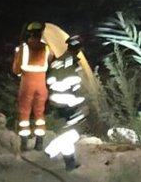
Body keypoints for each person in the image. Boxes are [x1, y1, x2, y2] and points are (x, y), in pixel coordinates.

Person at [44, 35, 87, 171]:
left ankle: (70, 163)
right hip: (67, 101)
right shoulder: (69, 61)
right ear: (78, 48)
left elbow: (51, 79)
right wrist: (79, 96)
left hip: (58, 100)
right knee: (72, 132)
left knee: (69, 131)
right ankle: (51, 151)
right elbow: (72, 81)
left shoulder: (61, 60)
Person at [12, 22, 51, 151]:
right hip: (41, 84)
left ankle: (24, 144)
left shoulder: (24, 48)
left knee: (24, 113)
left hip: (27, 83)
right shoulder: (47, 48)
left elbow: (16, 70)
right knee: (40, 113)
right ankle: (39, 144)